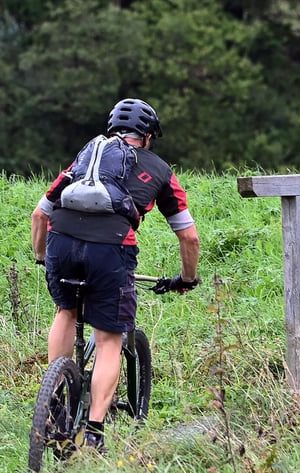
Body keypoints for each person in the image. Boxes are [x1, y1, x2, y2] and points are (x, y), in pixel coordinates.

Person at [31, 98, 200, 451]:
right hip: (111, 249)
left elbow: (40, 214)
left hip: (60, 241)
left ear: (113, 130)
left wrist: (43, 257)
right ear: (148, 137)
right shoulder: (159, 169)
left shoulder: (88, 155)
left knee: (66, 311)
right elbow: (189, 237)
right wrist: (187, 278)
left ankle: (55, 402)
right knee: (109, 338)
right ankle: (94, 432)